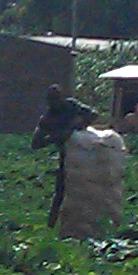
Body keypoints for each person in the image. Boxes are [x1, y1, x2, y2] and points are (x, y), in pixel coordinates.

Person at [34, 88, 96, 227]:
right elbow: (36, 143)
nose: (54, 104)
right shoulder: (48, 118)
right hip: (68, 156)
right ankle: (52, 225)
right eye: (51, 101)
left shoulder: (71, 105)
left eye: (56, 100)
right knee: (61, 193)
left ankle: (86, 223)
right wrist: (55, 137)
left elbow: (93, 114)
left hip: (86, 152)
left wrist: (77, 126)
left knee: (87, 190)